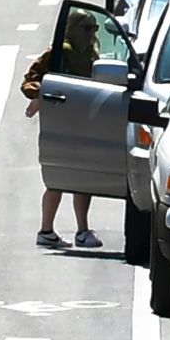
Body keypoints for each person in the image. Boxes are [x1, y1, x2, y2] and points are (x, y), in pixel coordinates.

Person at [21, 13, 102, 250]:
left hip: (85, 122)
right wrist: (43, 95)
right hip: (60, 123)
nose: (91, 34)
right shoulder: (58, 52)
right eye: (86, 28)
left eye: (94, 29)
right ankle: (46, 230)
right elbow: (30, 80)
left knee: (83, 178)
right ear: (74, 29)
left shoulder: (91, 55)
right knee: (57, 178)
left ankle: (82, 230)